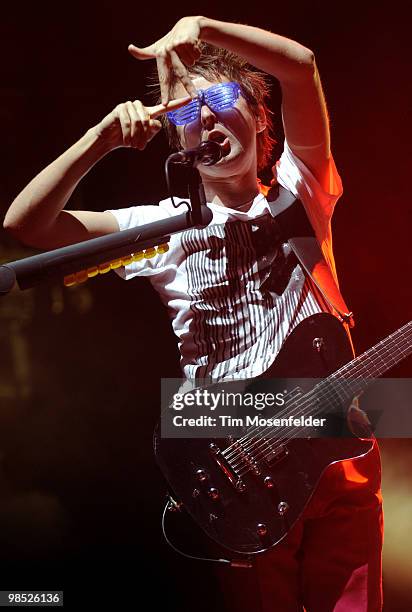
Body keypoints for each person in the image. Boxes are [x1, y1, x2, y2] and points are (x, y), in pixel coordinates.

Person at [4, 16, 382, 611]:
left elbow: (300, 66)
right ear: (178, 142)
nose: (204, 117)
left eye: (221, 100)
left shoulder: (301, 190)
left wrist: (202, 27)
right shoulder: (157, 229)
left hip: (338, 451)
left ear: (261, 119)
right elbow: (24, 226)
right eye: (185, 114)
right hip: (237, 466)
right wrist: (102, 139)